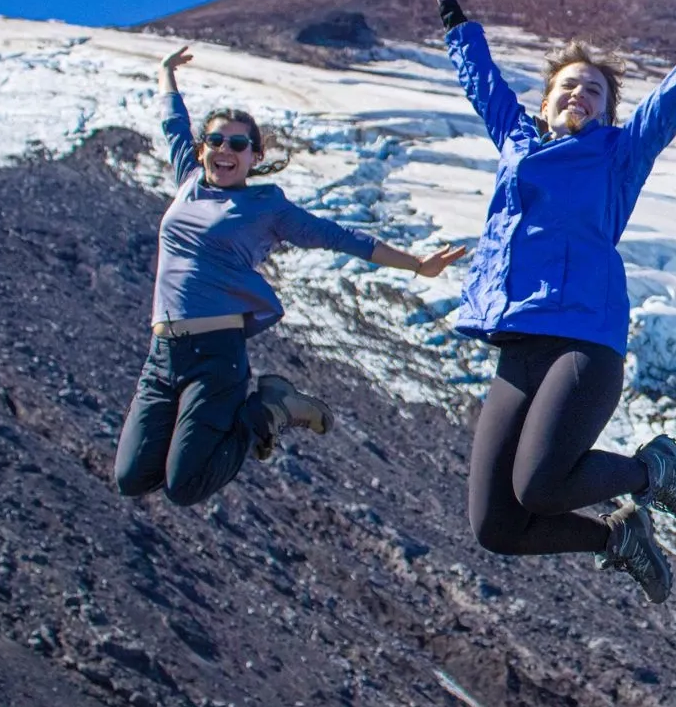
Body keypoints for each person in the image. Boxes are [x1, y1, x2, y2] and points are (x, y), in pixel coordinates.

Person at [431, 0, 676, 603]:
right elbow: (482, 83)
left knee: (540, 487)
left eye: (593, 90)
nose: (578, 94)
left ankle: (653, 471)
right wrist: (455, 20)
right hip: (517, 345)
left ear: (607, 111)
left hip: (583, 341)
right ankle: (619, 540)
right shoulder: (517, 142)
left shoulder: (620, 155)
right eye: (567, 86)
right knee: (496, 525)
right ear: (543, 103)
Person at [114, 46, 466, 507]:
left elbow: (338, 237)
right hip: (161, 355)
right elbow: (172, 124)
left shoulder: (267, 208)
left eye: (238, 145)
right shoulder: (189, 183)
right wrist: (165, 73)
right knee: (132, 478)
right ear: (202, 150)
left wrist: (417, 264)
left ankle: (269, 411)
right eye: (216, 141)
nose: (226, 150)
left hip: (216, 356)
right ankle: (264, 411)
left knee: (185, 486)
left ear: (255, 156)